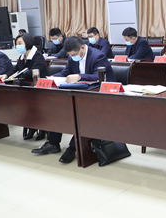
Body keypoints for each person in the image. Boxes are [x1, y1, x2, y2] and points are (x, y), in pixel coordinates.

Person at [31, 36, 116, 164]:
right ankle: (53, 143)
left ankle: (72, 148)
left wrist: (79, 76)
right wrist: (49, 78)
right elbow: (65, 73)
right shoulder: (72, 57)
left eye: (74, 54)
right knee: (58, 110)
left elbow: (98, 76)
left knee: (82, 116)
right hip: (81, 94)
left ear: (82, 48)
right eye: (70, 55)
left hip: (100, 96)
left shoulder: (98, 56)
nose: (72, 57)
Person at [0, 33, 49, 141]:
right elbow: (15, 69)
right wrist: (6, 75)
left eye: (20, 43)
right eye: (17, 44)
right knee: (25, 106)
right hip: (27, 87)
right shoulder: (22, 56)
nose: (18, 46)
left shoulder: (37, 55)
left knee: (36, 107)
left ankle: (42, 129)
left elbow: (33, 72)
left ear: (28, 43)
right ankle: (32, 127)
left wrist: (17, 75)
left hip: (40, 88)